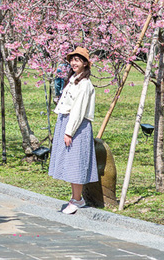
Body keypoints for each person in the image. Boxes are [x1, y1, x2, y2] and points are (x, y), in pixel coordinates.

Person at [49, 47, 98, 214]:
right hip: (67, 122)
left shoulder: (84, 84)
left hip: (76, 126)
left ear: (85, 63)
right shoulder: (73, 80)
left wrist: (69, 132)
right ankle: (76, 197)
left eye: (78, 60)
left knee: (76, 163)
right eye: (72, 60)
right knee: (70, 162)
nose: (73, 63)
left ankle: (77, 199)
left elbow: (78, 110)